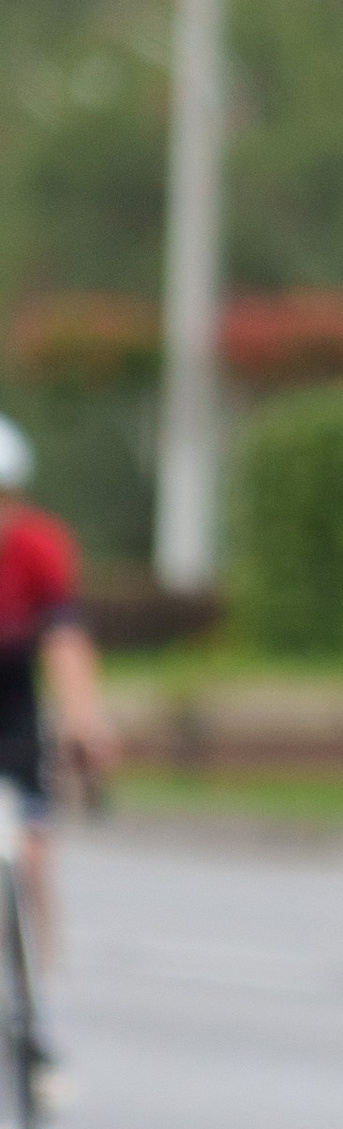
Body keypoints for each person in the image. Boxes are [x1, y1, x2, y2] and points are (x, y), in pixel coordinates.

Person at [0, 412, 119, 1003]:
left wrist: (83, 719)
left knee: (34, 852)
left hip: (13, 691)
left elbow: (65, 637)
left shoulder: (38, 545)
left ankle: (35, 1002)